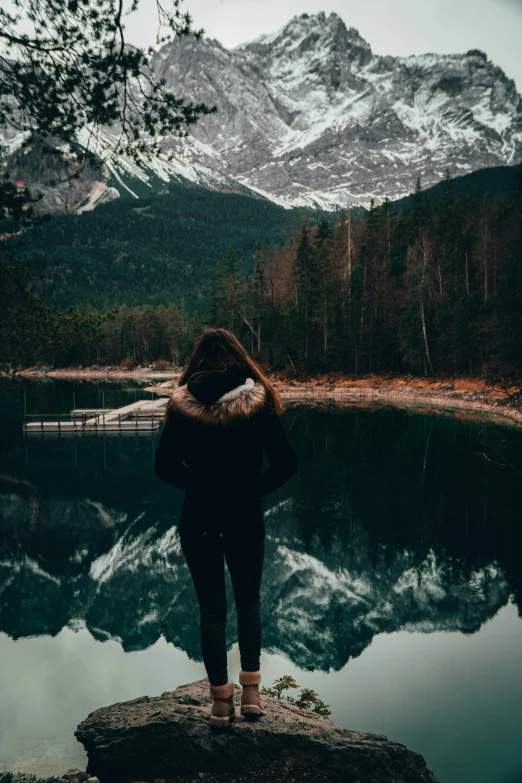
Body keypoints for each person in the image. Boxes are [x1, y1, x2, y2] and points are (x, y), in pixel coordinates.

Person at [154, 328, 298, 726]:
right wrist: (251, 490)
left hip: (198, 519)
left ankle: (220, 702)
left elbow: (163, 467)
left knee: (212, 613)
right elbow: (287, 463)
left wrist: (199, 484)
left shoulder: (182, 405)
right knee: (248, 604)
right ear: (239, 359)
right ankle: (251, 695)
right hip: (244, 518)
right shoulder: (258, 401)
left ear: (198, 361)